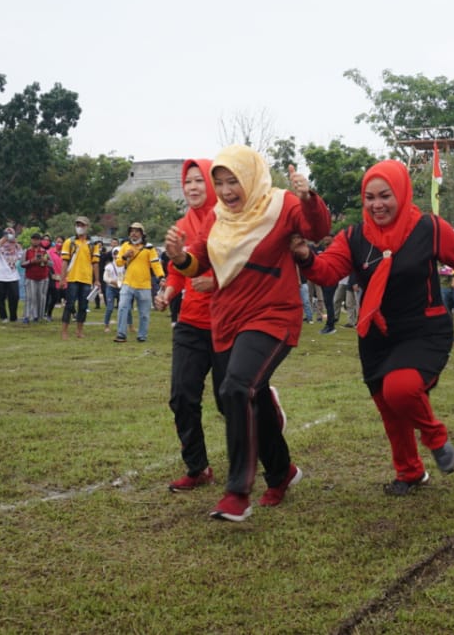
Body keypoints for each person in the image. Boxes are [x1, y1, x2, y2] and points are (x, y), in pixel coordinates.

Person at [293, 159, 454, 495]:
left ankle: (436, 437)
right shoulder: (353, 236)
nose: (377, 205)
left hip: (424, 329)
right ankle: (410, 473)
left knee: (400, 390)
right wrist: (305, 255)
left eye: (385, 196)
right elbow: (328, 271)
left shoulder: (429, 228)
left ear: (401, 193)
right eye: (370, 198)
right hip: (376, 334)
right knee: (389, 410)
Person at [164, 146, 330, 522]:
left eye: (232, 180)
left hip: (273, 316)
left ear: (251, 177)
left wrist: (308, 198)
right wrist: (178, 257)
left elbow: (317, 229)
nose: (225, 190)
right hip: (228, 320)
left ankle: (237, 493)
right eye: (218, 182)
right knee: (242, 399)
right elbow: (198, 262)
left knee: (236, 388)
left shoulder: (281, 204)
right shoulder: (217, 218)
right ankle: (282, 472)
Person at [156, 158, 226, 491]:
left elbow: (246, 265)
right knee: (182, 397)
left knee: (230, 400)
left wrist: (215, 283)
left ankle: (265, 408)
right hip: (190, 324)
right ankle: (198, 468)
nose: (193, 187)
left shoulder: (229, 220)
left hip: (227, 322)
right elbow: (176, 270)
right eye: (188, 182)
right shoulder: (180, 225)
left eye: (199, 180)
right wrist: (168, 293)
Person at [115, 221, 164, 343]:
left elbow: (155, 264)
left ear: (142, 234)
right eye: (132, 231)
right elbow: (118, 263)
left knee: (144, 313)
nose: (134, 234)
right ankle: (121, 334)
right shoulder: (125, 246)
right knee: (122, 307)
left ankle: (142, 336)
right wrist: (125, 256)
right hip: (128, 283)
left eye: (137, 231)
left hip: (144, 285)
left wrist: (161, 276)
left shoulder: (149, 248)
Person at [60, 217, 101, 340]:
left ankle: (79, 330)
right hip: (72, 278)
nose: (79, 227)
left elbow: (95, 263)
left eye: (82, 225)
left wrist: (97, 280)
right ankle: (64, 331)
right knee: (69, 305)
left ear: (87, 227)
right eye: (77, 224)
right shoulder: (69, 242)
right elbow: (65, 261)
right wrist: (62, 278)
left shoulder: (93, 244)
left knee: (83, 306)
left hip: (86, 278)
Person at [0, 229, 23, 323]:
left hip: (13, 276)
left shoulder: (16, 247)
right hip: (0, 276)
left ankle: (13, 317)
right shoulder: (0, 247)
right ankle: (3, 316)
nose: (9, 237)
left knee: (15, 297)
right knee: (1, 298)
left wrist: (16, 243)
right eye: (7, 234)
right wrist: (1, 241)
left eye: (11, 234)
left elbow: (21, 255)